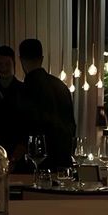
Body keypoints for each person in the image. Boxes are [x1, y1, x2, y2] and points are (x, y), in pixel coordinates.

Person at [18, 38, 76, 170]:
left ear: (21, 60)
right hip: (63, 161)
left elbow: (25, 129)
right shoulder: (61, 86)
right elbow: (71, 126)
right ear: (42, 58)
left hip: (36, 164)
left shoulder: (24, 89)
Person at [0, 45, 25, 165]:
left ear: (14, 64)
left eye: (7, 64)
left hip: (19, 154)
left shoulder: (24, 90)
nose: (3, 67)